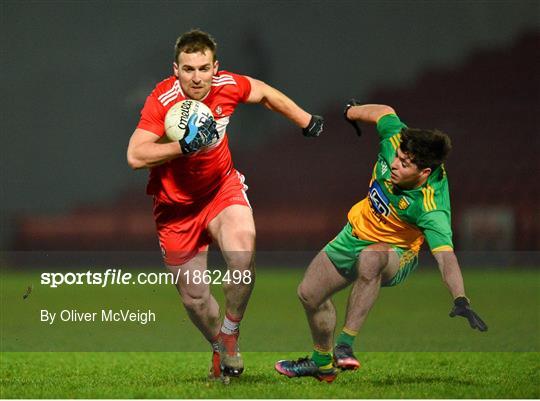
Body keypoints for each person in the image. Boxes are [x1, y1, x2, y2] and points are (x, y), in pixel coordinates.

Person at [126, 29, 323, 380]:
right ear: (176, 69)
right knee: (195, 300)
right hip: (175, 210)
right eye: (189, 69)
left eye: (204, 68)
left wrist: (304, 119)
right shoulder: (162, 99)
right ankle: (218, 345)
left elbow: (262, 92)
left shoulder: (227, 85)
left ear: (215, 67)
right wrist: (181, 147)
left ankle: (230, 333)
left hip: (221, 190)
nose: (197, 77)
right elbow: (135, 155)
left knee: (242, 250)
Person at [275, 101, 487, 383]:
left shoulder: (431, 208)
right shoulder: (397, 139)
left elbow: (445, 256)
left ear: (424, 173)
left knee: (371, 258)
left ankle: (345, 344)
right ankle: (322, 364)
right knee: (309, 294)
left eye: (405, 164)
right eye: (397, 156)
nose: (395, 164)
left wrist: (460, 298)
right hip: (354, 233)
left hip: (394, 254)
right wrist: (352, 112)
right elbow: (385, 112)